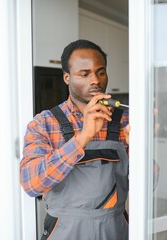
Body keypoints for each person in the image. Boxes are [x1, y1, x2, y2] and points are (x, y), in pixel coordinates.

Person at [20, 39, 129, 240]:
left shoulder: (124, 121)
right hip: (65, 231)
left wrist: (144, 151)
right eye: (84, 74)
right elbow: (31, 184)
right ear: (67, 77)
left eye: (101, 72)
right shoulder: (44, 123)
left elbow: (148, 186)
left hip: (115, 229)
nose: (95, 80)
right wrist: (83, 137)